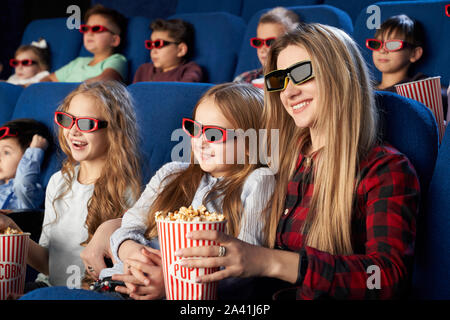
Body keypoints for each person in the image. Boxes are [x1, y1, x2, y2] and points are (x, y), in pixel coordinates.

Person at [176, 24, 421, 300]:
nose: (288, 93)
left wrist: (269, 261)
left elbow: (387, 278)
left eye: (302, 74)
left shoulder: (384, 169)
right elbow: (205, 173)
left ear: (339, 74)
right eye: (280, 80)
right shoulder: (279, 155)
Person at [0, 81, 142, 290]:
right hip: (48, 287)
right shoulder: (59, 182)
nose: (73, 131)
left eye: (86, 124)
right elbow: (49, 264)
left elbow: (121, 276)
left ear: (114, 131)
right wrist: (10, 227)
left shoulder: (127, 190)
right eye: (67, 120)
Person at [366, 14, 448, 118]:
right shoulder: (366, 88)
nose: (382, 50)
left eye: (393, 44)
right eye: (376, 44)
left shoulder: (419, 85)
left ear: (414, 54)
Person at [40, 4, 128, 83]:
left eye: (96, 28)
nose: (89, 33)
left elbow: (107, 80)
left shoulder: (117, 59)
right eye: (86, 29)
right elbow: (49, 79)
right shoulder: (78, 62)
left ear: (114, 40)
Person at [233, 7, 299, 84]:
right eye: (258, 42)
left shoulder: (296, 80)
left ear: (291, 42)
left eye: (270, 42)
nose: (262, 49)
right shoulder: (244, 79)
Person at [0, 119, 51, 209]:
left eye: (6, 152)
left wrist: (35, 150)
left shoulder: (30, 193)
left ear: (26, 155)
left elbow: (22, 183)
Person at [132, 18, 203, 83]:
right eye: (150, 44)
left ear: (181, 50)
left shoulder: (189, 70)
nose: (153, 51)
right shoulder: (143, 70)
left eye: (158, 44)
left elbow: (183, 93)